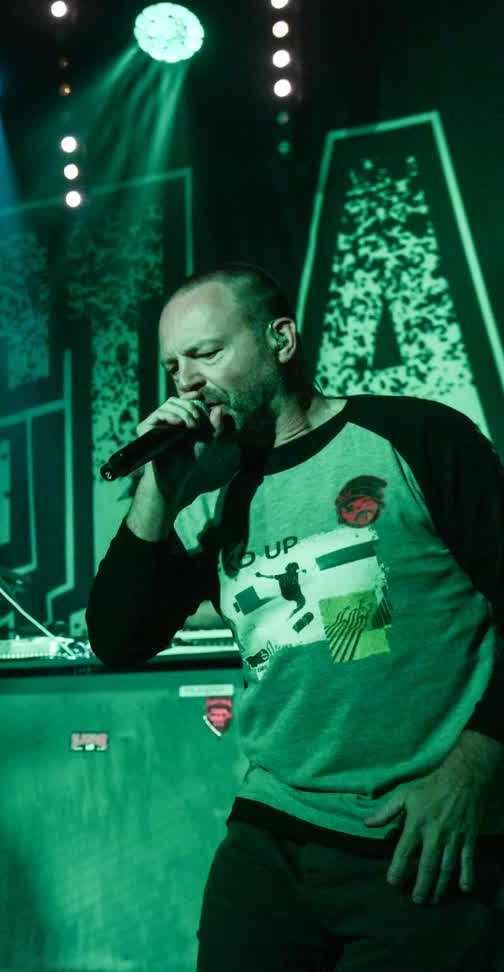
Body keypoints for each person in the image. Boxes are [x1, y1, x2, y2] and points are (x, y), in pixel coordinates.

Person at [87, 263, 504, 970]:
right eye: (172, 366)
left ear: (280, 340)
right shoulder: (212, 501)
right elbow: (117, 638)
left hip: (416, 833)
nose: (186, 381)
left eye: (206, 353)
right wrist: (159, 484)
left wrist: (472, 769)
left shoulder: (415, 437)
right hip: (273, 829)